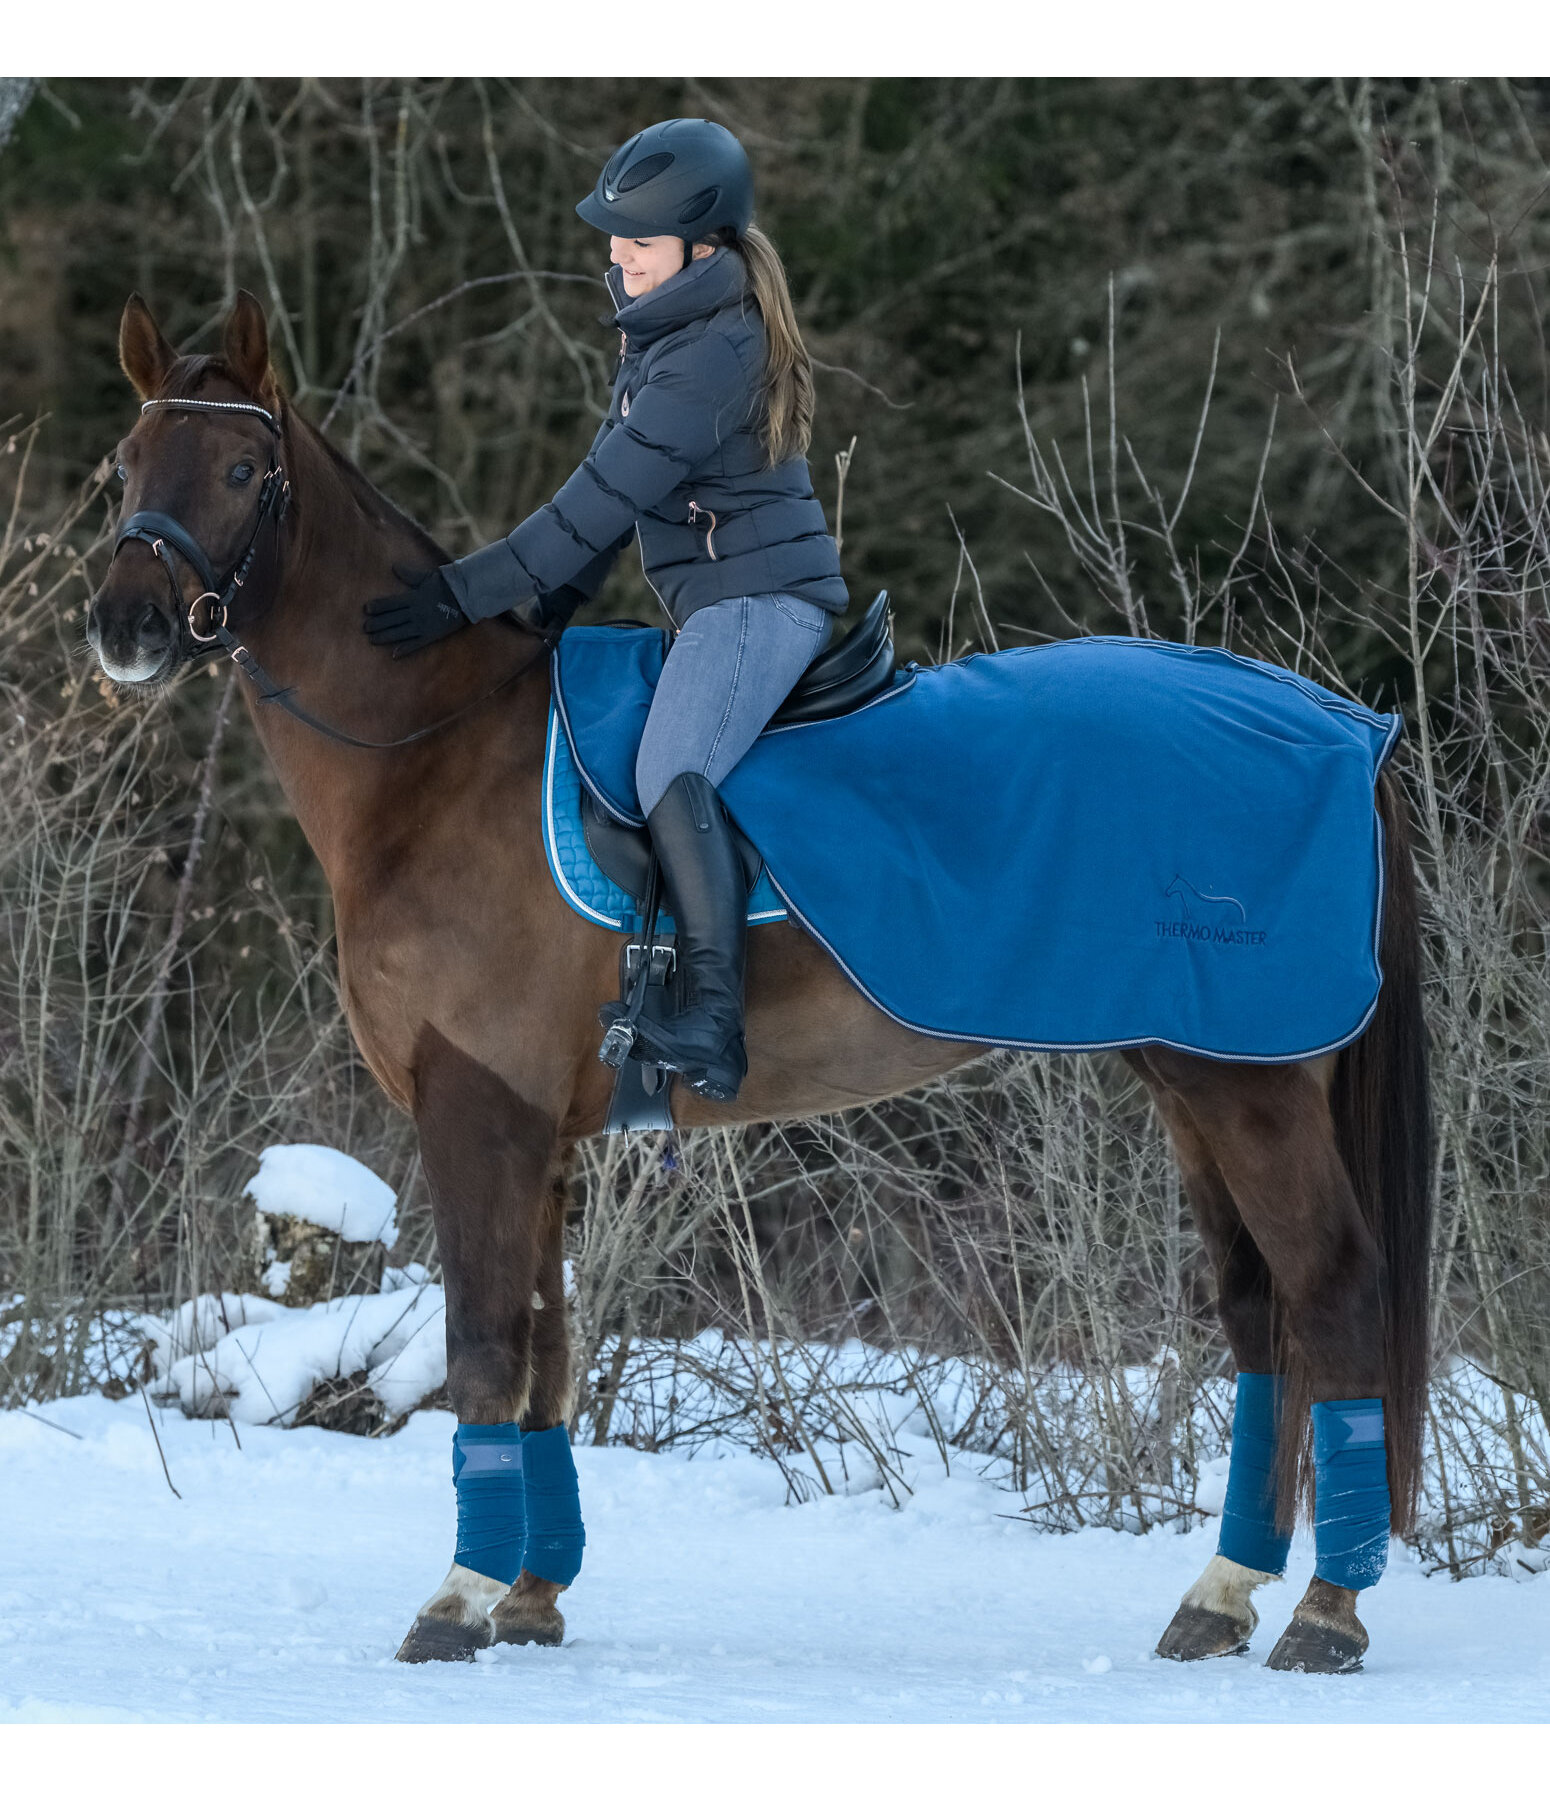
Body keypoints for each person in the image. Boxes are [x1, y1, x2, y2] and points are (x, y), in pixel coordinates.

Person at [363, 118, 849, 1104]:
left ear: (701, 248)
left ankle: (711, 1018)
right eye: (614, 235)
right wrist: (550, 604)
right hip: (720, 603)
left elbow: (588, 503)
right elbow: (619, 505)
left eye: (638, 238)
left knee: (669, 767)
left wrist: (462, 593)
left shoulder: (710, 353)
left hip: (758, 608)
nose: (615, 253)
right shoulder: (665, 337)